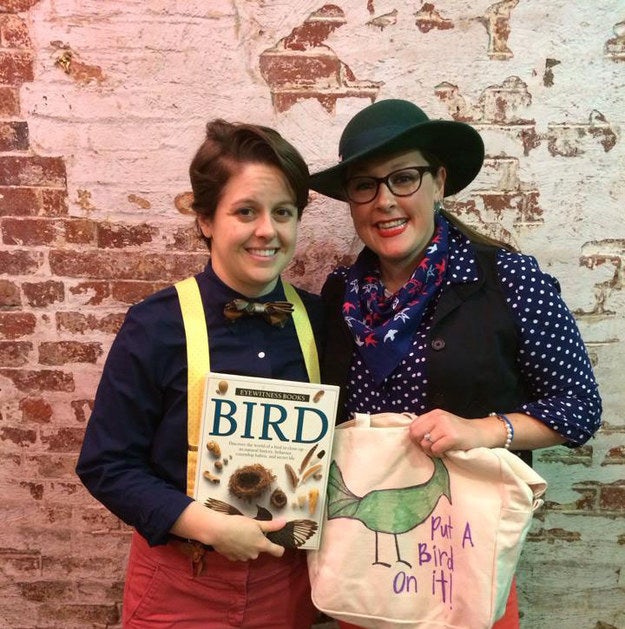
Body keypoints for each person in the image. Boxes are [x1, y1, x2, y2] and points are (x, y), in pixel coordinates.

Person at [310, 99, 602, 629]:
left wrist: (481, 430)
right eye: (365, 186)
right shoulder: (338, 297)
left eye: (404, 178)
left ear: (439, 182)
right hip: (365, 568)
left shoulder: (509, 281)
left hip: (461, 561)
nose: (384, 201)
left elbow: (579, 408)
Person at [76, 119, 322, 628]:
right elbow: (107, 464)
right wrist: (209, 526)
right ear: (206, 219)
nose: (267, 231)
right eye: (246, 211)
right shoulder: (155, 325)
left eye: (283, 212)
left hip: (289, 584)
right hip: (179, 584)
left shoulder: (323, 323)